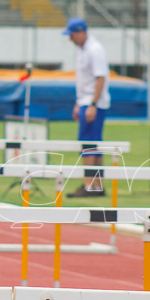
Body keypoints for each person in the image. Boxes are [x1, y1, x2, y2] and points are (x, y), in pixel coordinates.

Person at [64, 16, 110, 197]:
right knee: (92, 143)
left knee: (88, 144)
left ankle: (90, 184)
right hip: (86, 101)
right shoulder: (83, 50)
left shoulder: (94, 50)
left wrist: (92, 104)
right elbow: (85, 80)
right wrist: (79, 103)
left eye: (72, 34)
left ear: (81, 32)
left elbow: (100, 77)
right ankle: (96, 185)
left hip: (93, 103)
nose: (70, 39)